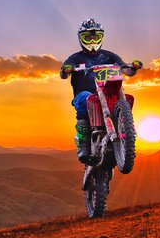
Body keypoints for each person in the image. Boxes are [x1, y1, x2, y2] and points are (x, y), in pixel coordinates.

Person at [60, 18, 143, 164]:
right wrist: (66, 70)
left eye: (96, 36)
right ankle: (83, 145)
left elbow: (125, 70)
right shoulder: (75, 57)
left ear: (101, 37)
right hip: (85, 93)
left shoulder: (109, 56)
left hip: (107, 91)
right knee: (85, 98)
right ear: (81, 38)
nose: (92, 40)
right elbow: (63, 74)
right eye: (88, 37)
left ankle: (125, 129)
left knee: (121, 93)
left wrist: (133, 68)